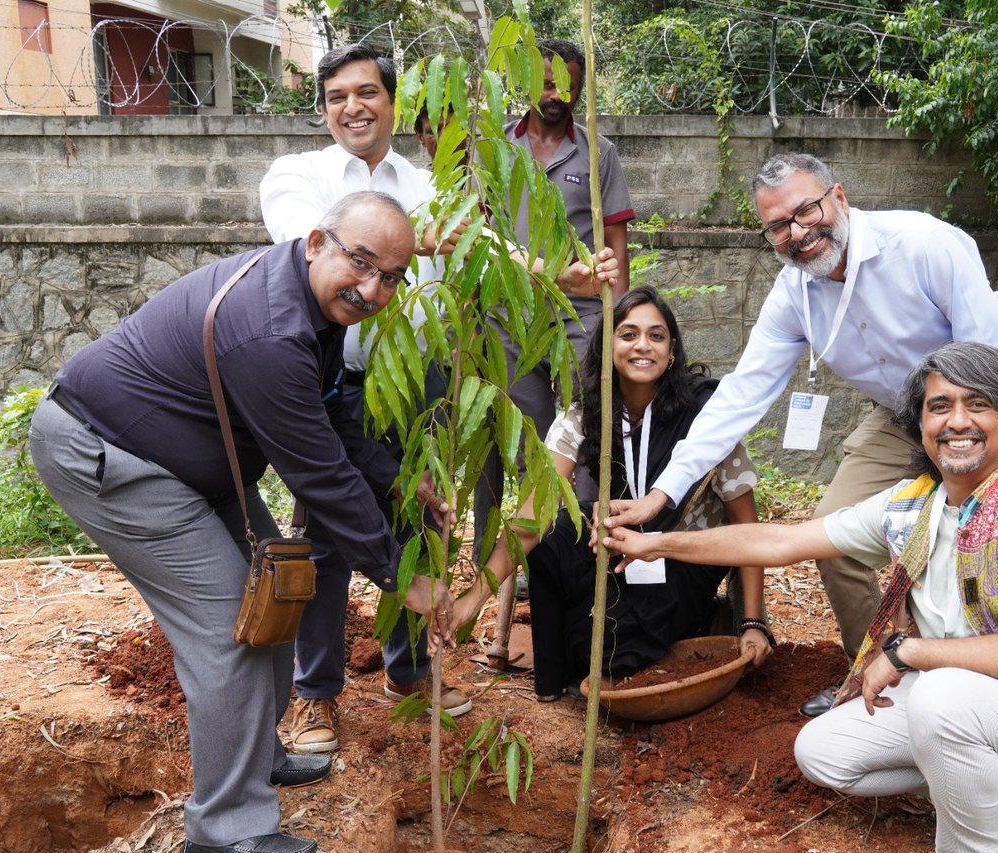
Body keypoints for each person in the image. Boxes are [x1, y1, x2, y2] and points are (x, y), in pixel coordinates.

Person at [604, 342, 998, 853]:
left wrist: (907, 653)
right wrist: (661, 544)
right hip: (978, 702)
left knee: (942, 698)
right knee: (825, 753)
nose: (957, 421)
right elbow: (783, 542)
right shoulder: (913, 505)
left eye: (979, 404)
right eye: (938, 406)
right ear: (921, 425)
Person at [30, 192, 455, 853]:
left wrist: (400, 479)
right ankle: (224, 826)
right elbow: (320, 477)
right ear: (317, 241)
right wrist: (405, 577)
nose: (373, 289)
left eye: (393, 277)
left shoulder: (307, 302)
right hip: (111, 455)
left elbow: (333, 413)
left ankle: (257, 753)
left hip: (194, 462)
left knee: (280, 590)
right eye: (362, 263)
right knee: (229, 621)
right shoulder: (271, 332)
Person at [260, 43, 618, 754]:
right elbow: (312, 247)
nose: (352, 108)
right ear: (324, 109)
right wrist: (428, 243)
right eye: (337, 97)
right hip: (331, 377)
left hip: (414, 385)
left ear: (395, 103)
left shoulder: (426, 183)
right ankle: (315, 694)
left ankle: (410, 671)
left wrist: (570, 273)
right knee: (329, 534)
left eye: (367, 93)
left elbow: (487, 251)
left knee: (415, 524)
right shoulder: (295, 176)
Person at [605, 152, 998, 720]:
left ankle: (997, 689)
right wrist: (661, 496)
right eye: (779, 226)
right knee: (837, 536)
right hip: (901, 414)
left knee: (988, 542)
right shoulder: (795, 294)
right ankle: (878, 677)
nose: (799, 232)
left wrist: (975, 454)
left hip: (992, 401)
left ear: (838, 196)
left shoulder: (925, 244)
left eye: (806, 210)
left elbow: (986, 357)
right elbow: (741, 394)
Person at [454, 286, 773, 697]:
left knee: (621, 649)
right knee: (551, 540)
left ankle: (688, 627)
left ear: (672, 350)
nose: (643, 346)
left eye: (656, 336)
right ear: (607, 347)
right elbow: (532, 517)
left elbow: (746, 526)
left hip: (684, 555)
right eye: (628, 334)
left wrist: (752, 622)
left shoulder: (705, 417)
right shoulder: (588, 412)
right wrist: (472, 597)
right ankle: (559, 678)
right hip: (619, 549)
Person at [473, 37, 636, 588]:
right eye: (545, 82)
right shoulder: (493, 150)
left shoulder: (598, 153)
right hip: (508, 314)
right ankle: (536, 554)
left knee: (586, 428)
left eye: (567, 85)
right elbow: (478, 237)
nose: (555, 94)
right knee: (530, 437)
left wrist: (619, 317)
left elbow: (616, 243)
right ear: (523, 83)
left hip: (582, 314)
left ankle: (589, 557)